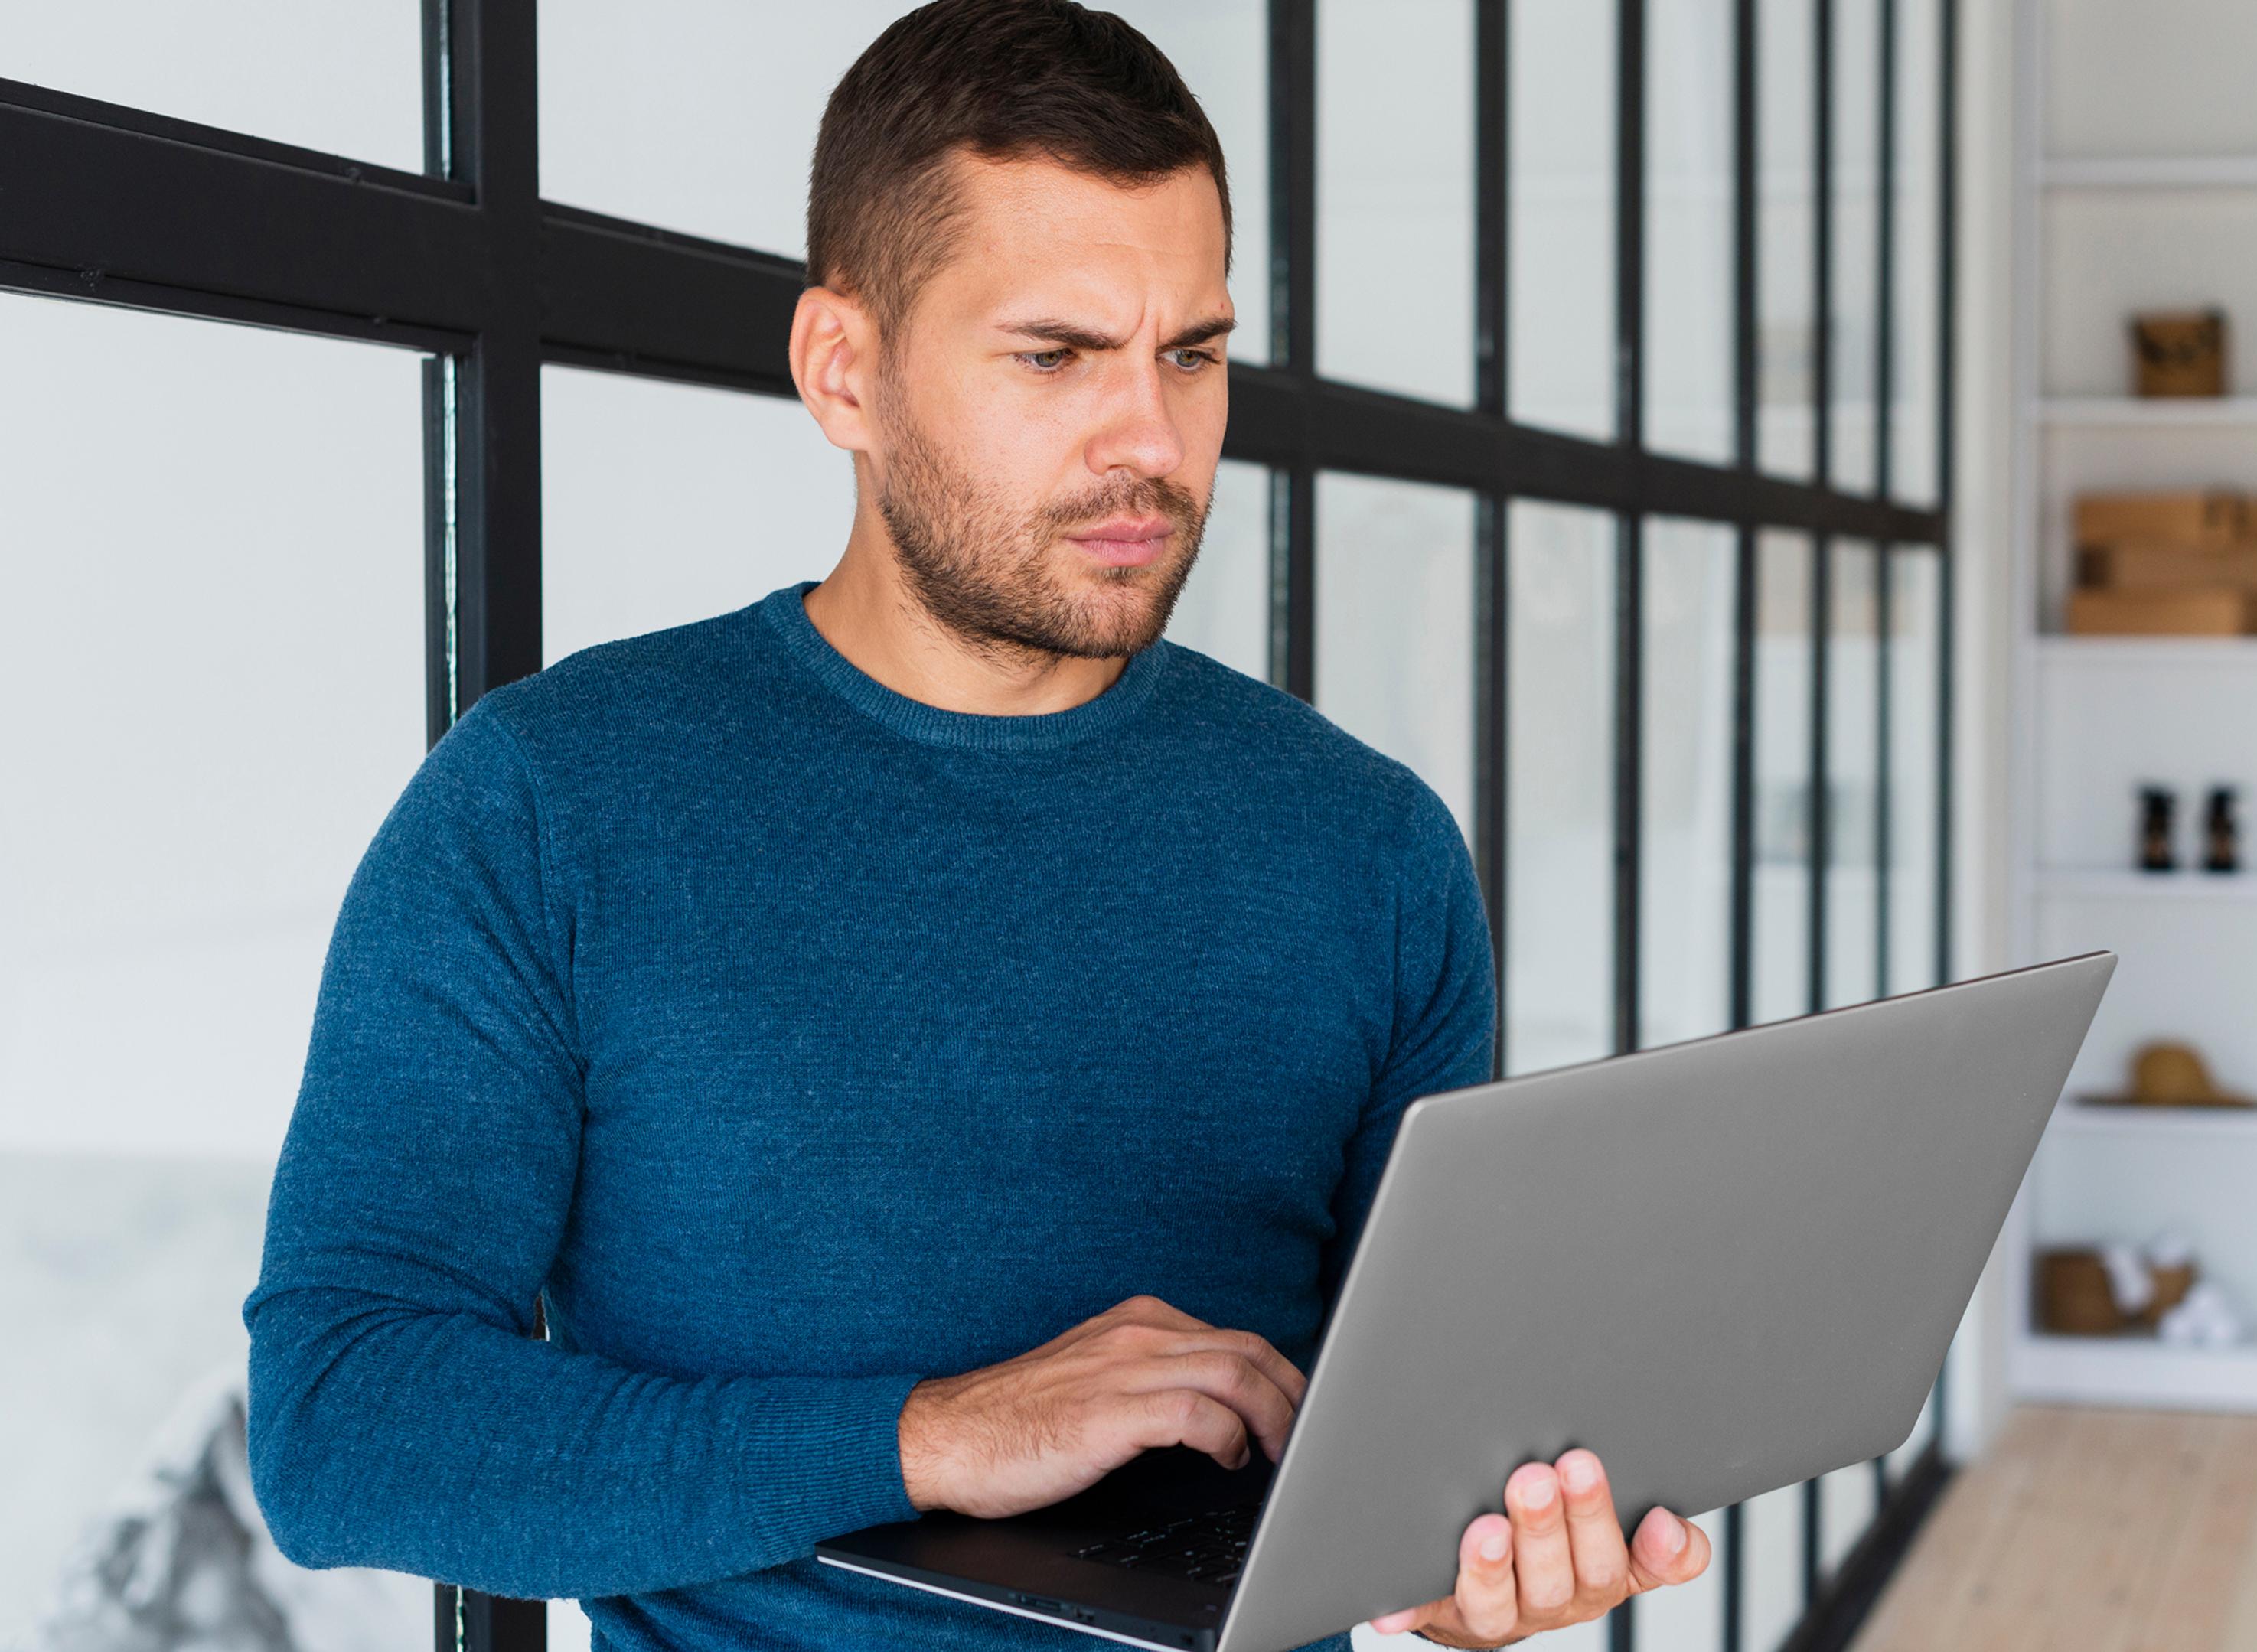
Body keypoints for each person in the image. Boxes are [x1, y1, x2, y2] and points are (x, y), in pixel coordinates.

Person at [241, 3, 1711, 1648]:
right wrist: (930, 1437)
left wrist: (1478, 1563)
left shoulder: (1372, 850)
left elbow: (1413, 1455)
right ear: (844, 370)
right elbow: (343, 1425)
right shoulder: (547, 805)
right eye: (1054, 356)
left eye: (1191, 354)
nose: (1150, 443)